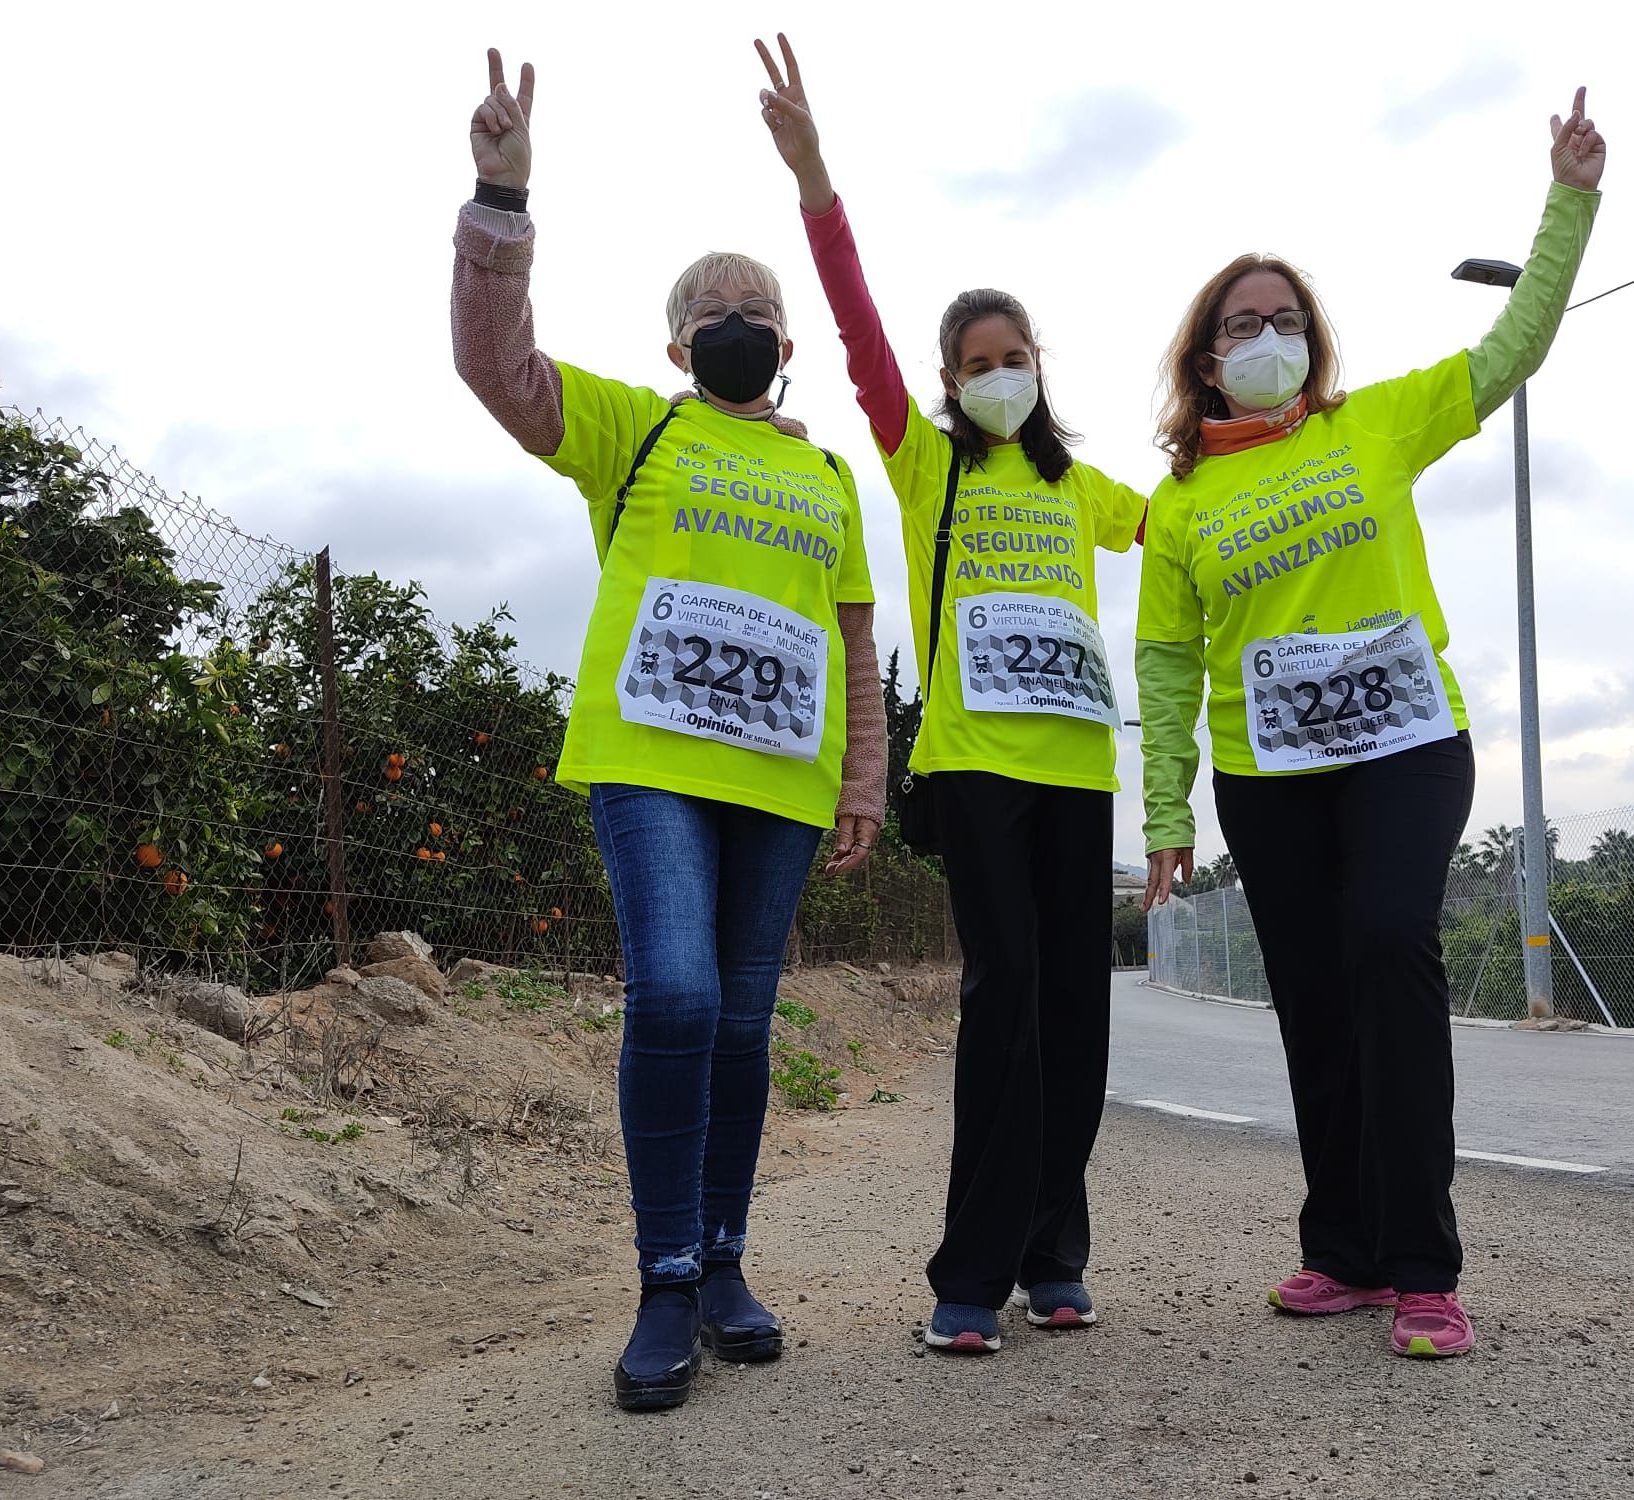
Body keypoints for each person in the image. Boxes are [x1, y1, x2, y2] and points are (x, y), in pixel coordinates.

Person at [1137, 89, 1607, 1359]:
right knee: (1310, 999)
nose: (1267, 335)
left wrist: (1566, 202)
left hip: (1402, 745)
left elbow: (1511, 346)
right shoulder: (1178, 505)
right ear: (1204, 356)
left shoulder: (1374, 424)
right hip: (1266, 775)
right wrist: (1166, 811)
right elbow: (1169, 662)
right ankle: (1340, 1249)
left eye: (1285, 319)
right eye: (1243, 324)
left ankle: (1421, 1266)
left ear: (1313, 339)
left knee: (1388, 948)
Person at [451, 47, 888, 1411]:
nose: (734, 315)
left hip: (781, 783)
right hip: (648, 768)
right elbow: (495, 363)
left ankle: (724, 1266)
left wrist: (867, 772)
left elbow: (857, 638)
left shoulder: (826, 476)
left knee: (747, 1024)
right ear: (676, 346)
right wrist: (499, 202)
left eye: (753, 304)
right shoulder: (637, 432)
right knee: (681, 997)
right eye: (710, 308)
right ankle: (659, 1283)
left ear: (786, 339)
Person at [754, 34, 1147, 1355]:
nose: (1000, 372)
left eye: (1016, 353)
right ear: (948, 381)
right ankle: (969, 1279)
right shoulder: (928, 468)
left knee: (1079, 1025)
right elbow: (859, 333)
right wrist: (818, 183)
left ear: (1040, 364)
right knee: (1009, 1000)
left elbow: (1187, 527)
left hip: (1083, 771)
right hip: (979, 775)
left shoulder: (1078, 487)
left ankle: (1056, 1254)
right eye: (977, 358)